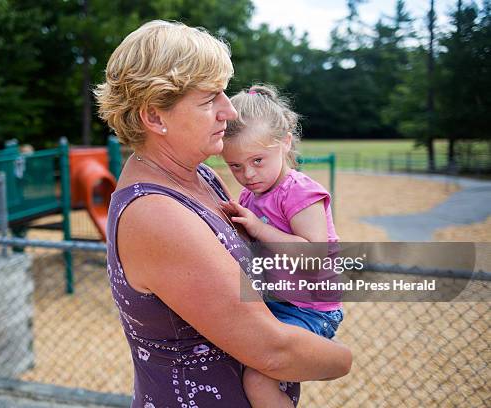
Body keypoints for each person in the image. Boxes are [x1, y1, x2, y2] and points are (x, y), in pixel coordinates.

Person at [96, 20, 351, 408]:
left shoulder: (202, 177)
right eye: (210, 99)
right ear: (155, 117)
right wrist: (343, 360)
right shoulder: (155, 214)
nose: (229, 111)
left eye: (224, 94)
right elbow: (274, 351)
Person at [220, 84, 344, 407]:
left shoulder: (299, 192)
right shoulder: (251, 195)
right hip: (273, 302)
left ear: (285, 143)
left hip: (310, 310)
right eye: (235, 166)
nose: (247, 174)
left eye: (258, 160)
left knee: (258, 380)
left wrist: (259, 229)